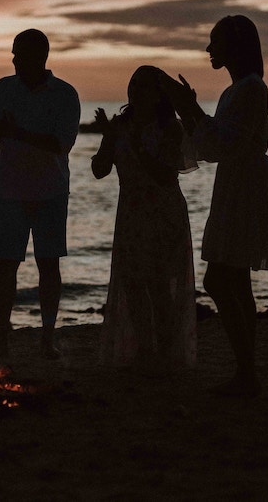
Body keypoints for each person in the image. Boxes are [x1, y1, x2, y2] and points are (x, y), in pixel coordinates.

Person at [159, 15, 268, 397]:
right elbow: (218, 142)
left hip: (243, 186)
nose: (209, 49)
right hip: (236, 183)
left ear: (234, 45)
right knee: (236, 279)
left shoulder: (249, 89)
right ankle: (247, 372)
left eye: (215, 42)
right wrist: (193, 110)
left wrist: (190, 110)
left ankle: (247, 372)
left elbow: (221, 144)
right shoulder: (239, 89)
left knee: (220, 278)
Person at [0, 29, 81, 360]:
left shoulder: (64, 94)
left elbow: (61, 143)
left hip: (50, 191)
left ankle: (47, 339)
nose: (14, 59)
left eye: (19, 54)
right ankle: (0, 339)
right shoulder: (3, 88)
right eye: (13, 53)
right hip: (9, 191)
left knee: (48, 266)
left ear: (39, 57)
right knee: (5, 267)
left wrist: (16, 132)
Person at [91, 66, 198, 373]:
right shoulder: (120, 124)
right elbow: (100, 170)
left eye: (145, 87)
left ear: (159, 94)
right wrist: (108, 139)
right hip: (131, 212)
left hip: (163, 212)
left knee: (160, 284)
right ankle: (145, 349)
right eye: (134, 85)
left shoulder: (169, 128)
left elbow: (165, 175)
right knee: (133, 283)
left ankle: (165, 351)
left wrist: (134, 141)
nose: (137, 92)